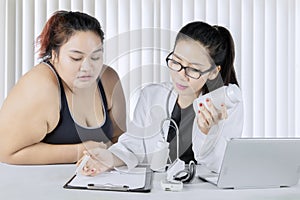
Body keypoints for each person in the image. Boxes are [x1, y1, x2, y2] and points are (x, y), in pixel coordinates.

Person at [80, 21, 244, 176]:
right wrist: (108, 158)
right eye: (176, 62)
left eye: (193, 69)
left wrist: (207, 133)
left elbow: (221, 165)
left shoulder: (225, 105)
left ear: (213, 72)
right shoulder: (151, 96)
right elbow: (132, 146)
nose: (181, 75)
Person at [0, 11, 126, 165]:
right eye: (76, 58)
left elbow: (120, 140)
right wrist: (81, 151)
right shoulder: (41, 86)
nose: (87, 67)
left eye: (96, 57)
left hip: (96, 181)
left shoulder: (108, 79)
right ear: (54, 55)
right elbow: (7, 152)